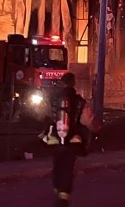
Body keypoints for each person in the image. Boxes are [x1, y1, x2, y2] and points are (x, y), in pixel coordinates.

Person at [48, 73, 89, 206]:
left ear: (62, 82)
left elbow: (45, 116)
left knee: (58, 166)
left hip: (55, 140)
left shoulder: (53, 99)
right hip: (72, 141)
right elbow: (87, 120)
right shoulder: (80, 101)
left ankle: (57, 191)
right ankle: (63, 198)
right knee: (68, 168)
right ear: (73, 83)